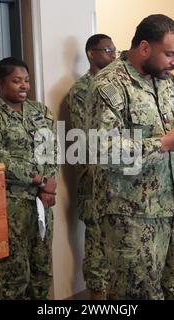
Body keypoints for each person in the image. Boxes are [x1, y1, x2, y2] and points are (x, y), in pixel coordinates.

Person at [85, 14, 174, 300]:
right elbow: (104, 151)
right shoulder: (109, 85)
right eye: (169, 54)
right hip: (131, 217)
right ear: (144, 48)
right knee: (138, 295)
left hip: (173, 209)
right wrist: (164, 143)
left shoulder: (166, 82)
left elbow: (170, 135)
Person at [0, 57, 58, 299]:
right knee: (13, 276)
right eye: (17, 81)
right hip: (10, 206)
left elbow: (52, 149)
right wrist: (39, 180)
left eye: (27, 81)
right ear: (1, 84)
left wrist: (48, 188)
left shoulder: (40, 112)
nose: (24, 86)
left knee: (42, 271)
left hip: (43, 204)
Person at [66, 34, 116, 300]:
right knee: (96, 239)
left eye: (114, 50)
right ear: (91, 54)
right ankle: (97, 295)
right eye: (107, 50)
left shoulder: (116, 86)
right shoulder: (82, 90)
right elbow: (87, 136)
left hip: (121, 175)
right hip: (94, 176)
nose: (113, 55)